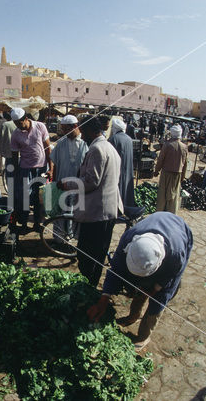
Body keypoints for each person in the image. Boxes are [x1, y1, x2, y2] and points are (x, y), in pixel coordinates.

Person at [87, 212, 192, 350]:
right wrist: (104, 299)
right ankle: (133, 315)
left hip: (178, 232)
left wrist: (153, 289)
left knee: (159, 299)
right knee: (138, 288)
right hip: (155, 226)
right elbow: (116, 269)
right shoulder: (129, 238)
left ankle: (144, 336)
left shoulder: (176, 254)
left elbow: (169, 277)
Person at [57, 117, 122, 287]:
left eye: (83, 131)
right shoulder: (109, 148)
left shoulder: (97, 149)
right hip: (107, 211)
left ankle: (88, 287)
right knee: (97, 255)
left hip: (97, 213)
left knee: (87, 256)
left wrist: (66, 184)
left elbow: (91, 182)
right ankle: (91, 285)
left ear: (92, 131)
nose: (82, 135)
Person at [11, 109, 52, 233]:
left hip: (41, 168)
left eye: (19, 123)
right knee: (24, 198)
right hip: (25, 169)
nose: (18, 126)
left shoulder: (40, 126)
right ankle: (23, 224)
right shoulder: (16, 134)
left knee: (39, 198)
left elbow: (48, 148)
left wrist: (51, 169)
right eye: (15, 124)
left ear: (26, 119)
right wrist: (16, 172)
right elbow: (14, 155)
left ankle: (37, 223)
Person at [50, 115, 88, 242]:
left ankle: (71, 237)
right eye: (63, 129)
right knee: (60, 211)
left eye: (66, 129)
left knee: (75, 211)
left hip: (79, 185)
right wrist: (55, 183)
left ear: (75, 127)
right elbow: (54, 164)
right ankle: (59, 239)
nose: (64, 132)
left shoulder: (85, 143)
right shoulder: (61, 144)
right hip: (62, 183)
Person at [154, 124, 188, 214]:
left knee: (162, 196)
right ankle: (172, 215)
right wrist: (183, 177)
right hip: (178, 174)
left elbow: (161, 160)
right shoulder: (184, 147)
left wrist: (156, 171)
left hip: (166, 173)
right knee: (174, 197)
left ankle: (159, 214)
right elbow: (185, 164)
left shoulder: (167, 145)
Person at [108, 117, 135, 207]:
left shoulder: (113, 139)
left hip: (117, 169)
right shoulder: (129, 139)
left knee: (118, 187)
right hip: (127, 167)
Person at [0, 110, 17, 175]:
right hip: (20, 155)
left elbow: (0, 140)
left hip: (8, 153)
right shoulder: (22, 123)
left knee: (10, 175)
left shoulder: (5, 125)